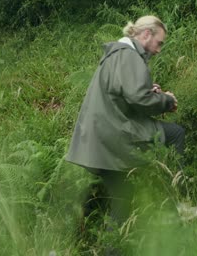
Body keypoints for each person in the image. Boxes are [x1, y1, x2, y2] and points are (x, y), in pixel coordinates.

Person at [66, 15, 185, 224]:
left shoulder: (117, 54)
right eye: (159, 43)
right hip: (113, 136)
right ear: (147, 34)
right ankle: (178, 197)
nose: (159, 50)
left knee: (123, 200)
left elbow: (124, 94)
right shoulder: (129, 56)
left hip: (98, 139)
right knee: (176, 134)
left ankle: (112, 248)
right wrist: (166, 100)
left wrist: (151, 92)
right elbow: (139, 97)